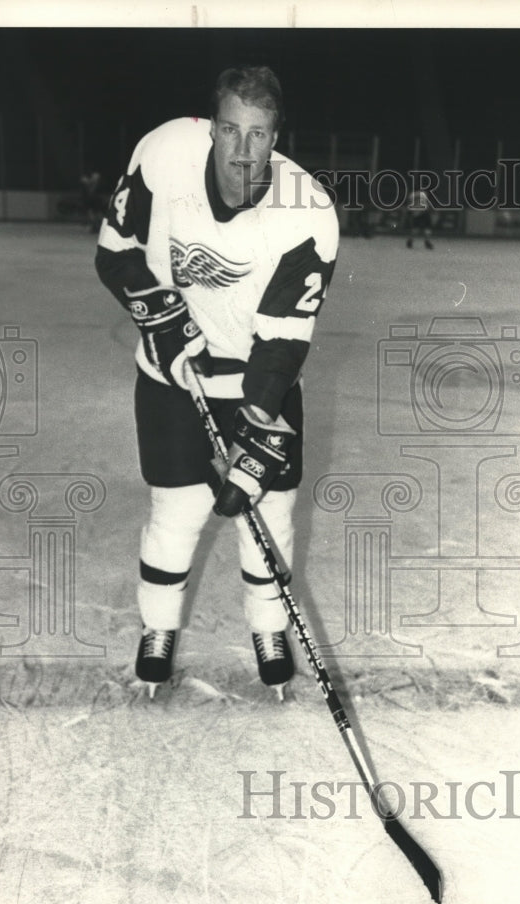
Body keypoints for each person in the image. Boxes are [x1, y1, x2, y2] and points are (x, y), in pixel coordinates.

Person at [95, 66, 339, 698]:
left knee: (270, 513)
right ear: (211, 128)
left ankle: (269, 628)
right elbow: (114, 251)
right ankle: (158, 632)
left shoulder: (307, 212)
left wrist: (254, 437)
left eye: (257, 135)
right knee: (176, 513)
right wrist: (156, 309)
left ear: (276, 136)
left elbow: (282, 344)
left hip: (259, 378)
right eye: (230, 129)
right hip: (172, 379)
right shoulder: (164, 153)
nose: (241, 150)